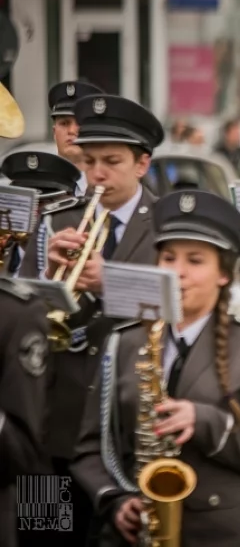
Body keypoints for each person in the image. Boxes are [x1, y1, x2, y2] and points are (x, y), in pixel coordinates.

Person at [70, 189, 240, 546]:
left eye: (195, 261)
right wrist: (114, 499)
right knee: (40, 528)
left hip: (219, 533)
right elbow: (91, 445)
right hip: (127, 526)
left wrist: (205, 421)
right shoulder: (124, 340)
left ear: (224, 274)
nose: (177, 273)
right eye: (168, 258)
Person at [17, 94, 164, 547]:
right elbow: (22, 315)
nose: (96, 174)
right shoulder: (57, 221)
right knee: (43, 537)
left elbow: (185, 305)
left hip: (132, 426)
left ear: (142, 164)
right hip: (55, 428)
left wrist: (112, 284)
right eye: (89, 161)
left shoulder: (170, 224)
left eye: (112, 161)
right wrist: (46, 275)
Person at [0, 278, 51, 546]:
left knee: (46, 530)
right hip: (50, 424)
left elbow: (21, 455)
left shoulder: (16, 309)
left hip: (56, 431)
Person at [0, 151, 81, 277]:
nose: (33, 211)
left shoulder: (73, 249)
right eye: (23, 203)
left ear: (68, 201)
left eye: (43, 203)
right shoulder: (6, 248)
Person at [47, 81, 104, 196]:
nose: (72, 131)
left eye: (80, 123)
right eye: (64, 123)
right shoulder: (41, 186)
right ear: (54, 132)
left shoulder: (110, 187)